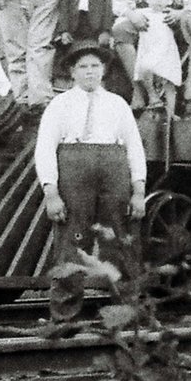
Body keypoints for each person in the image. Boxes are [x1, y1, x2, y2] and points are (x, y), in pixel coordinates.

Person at [33, 44, 147, 322]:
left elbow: (134, 148)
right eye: (83, 67)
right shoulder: (59, 105)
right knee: (71, 242)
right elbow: (45, 149)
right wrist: (51, 192)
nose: (89, 72)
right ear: (72, 72)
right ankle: (65, 317)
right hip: (74, 169)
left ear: (103, 70)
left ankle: (128, 313)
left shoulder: (118, 104)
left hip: (114, 169)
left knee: (120, 238)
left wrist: (139, 190)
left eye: (95, 66)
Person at [121, 0, 184, 118]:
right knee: (145, 67)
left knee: (169, 83)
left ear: (169, 0)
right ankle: (152, 95)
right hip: (149, 50)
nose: (158, 0)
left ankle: (171, 113)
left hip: (167, 52)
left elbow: (183, 19)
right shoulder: (143, 13)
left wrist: (179, 14)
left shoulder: (169, 14)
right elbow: (125, 11)